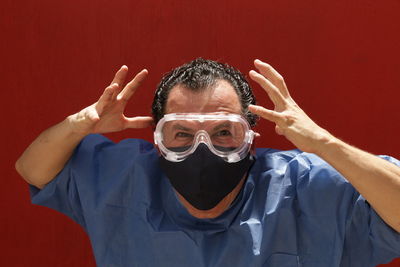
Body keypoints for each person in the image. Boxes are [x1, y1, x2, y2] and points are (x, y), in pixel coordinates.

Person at [16, 58, 400, 267]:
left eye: (223, 132)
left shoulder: (305, 185)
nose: (203, 150)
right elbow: (32, 170)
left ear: (252, 137)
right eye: (181, 134)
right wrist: (81, 126)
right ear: (157, 140)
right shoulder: (122, 177)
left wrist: (323, 143)